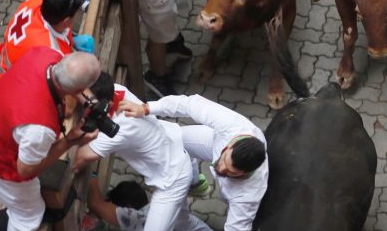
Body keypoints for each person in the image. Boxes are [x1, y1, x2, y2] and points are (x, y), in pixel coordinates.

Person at [0, 48, 101, 231]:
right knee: (30, 215)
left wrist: (89, 101)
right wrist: (70, 141)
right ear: (78, 89)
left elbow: (66, 80)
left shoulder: (44, 55)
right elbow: (25, 171)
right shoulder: (40, 128)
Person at [74, 73, 211, 231]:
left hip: (172, 179)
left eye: (86, 103)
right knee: (184, 223)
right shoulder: (116, 89)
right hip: (176, 150)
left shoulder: (118, 128)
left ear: (106, 104)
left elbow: (78, 160)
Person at [119, 94, 269, 231]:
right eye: (224, 159)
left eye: (231, 172)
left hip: (236, 193)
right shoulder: (231, 125)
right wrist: (145, 108)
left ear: (244, 173)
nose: (220, 167)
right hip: (213, 142)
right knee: (174, 140)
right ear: (230, 145)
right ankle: (195, 184)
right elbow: (189, 104)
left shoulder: (248, 196)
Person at [0, 0, 93, 92]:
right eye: (77, 13)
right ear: (66, 21)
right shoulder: (50, 52)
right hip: (6, 88)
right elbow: (55, 87)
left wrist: (70, 39)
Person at [87, 177, 210, 230]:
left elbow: (96, 204)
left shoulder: (138, 218)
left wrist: (92, 176)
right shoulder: (159, 206)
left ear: (128, 208)